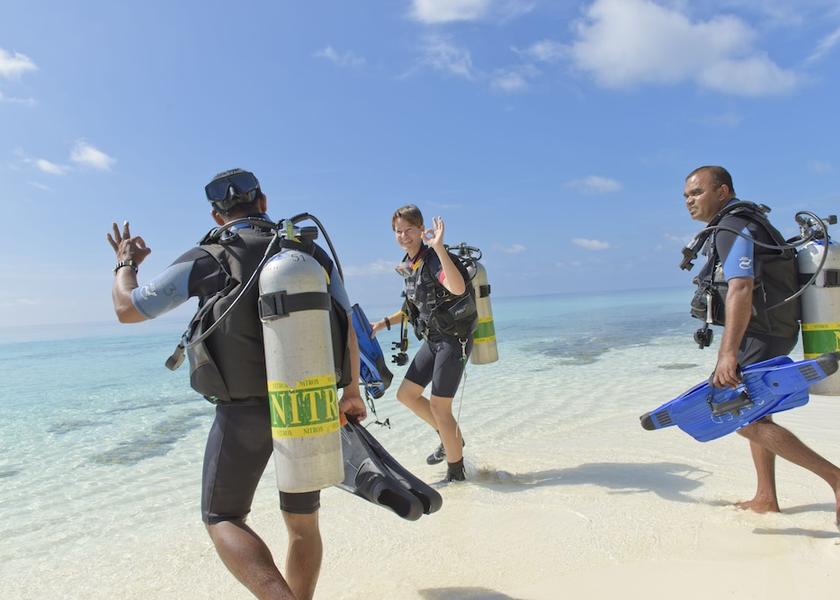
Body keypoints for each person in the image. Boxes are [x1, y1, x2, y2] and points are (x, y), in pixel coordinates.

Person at [107, 168, 366, 600]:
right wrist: (351, 391)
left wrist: (125, 263)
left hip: (245, 412)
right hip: (310, 404)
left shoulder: (208, 256)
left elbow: (128, 309)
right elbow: (348, 324)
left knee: (222, 516)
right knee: (303, 525)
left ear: (216, 214)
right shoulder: (307, 255)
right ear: (263, 203)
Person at [683, 165, 840, 526]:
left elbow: (741, 287)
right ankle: (766, 497)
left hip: (760, 333)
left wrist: (727, 354)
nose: (690, 201)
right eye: (686, 196)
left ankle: (835, 478)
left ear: (722, 192)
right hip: (776, 329)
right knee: (757, 413)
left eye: (697, 193)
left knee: (737, 415)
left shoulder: (733, 226)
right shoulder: (747, 221)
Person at [371, 205, 477, 482]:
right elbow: (413, 307)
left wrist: (439, 248)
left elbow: (457, 288)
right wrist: (382, 324)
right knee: (406, 395)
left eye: (409, 230)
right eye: (398, 231)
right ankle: (449, 436)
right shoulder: (410, 265)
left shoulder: (433, 260)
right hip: (434, 340)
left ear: (421, 230)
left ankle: (456, 475)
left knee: (441, 409)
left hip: (454, 341)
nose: (403, 235)